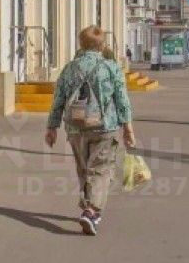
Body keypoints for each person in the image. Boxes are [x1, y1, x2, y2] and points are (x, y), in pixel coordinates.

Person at [45, 25, 135, 236]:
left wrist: (52, 127)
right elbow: (122, 99)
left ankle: (88, 205)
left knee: (84, 168)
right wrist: (128, 128)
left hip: (76, 127)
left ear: (81, 44)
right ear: (102, 45)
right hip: (105, 126)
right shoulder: (111, 67)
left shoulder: (69, 68)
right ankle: (91, 211)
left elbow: (58, 99)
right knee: (101, 169)